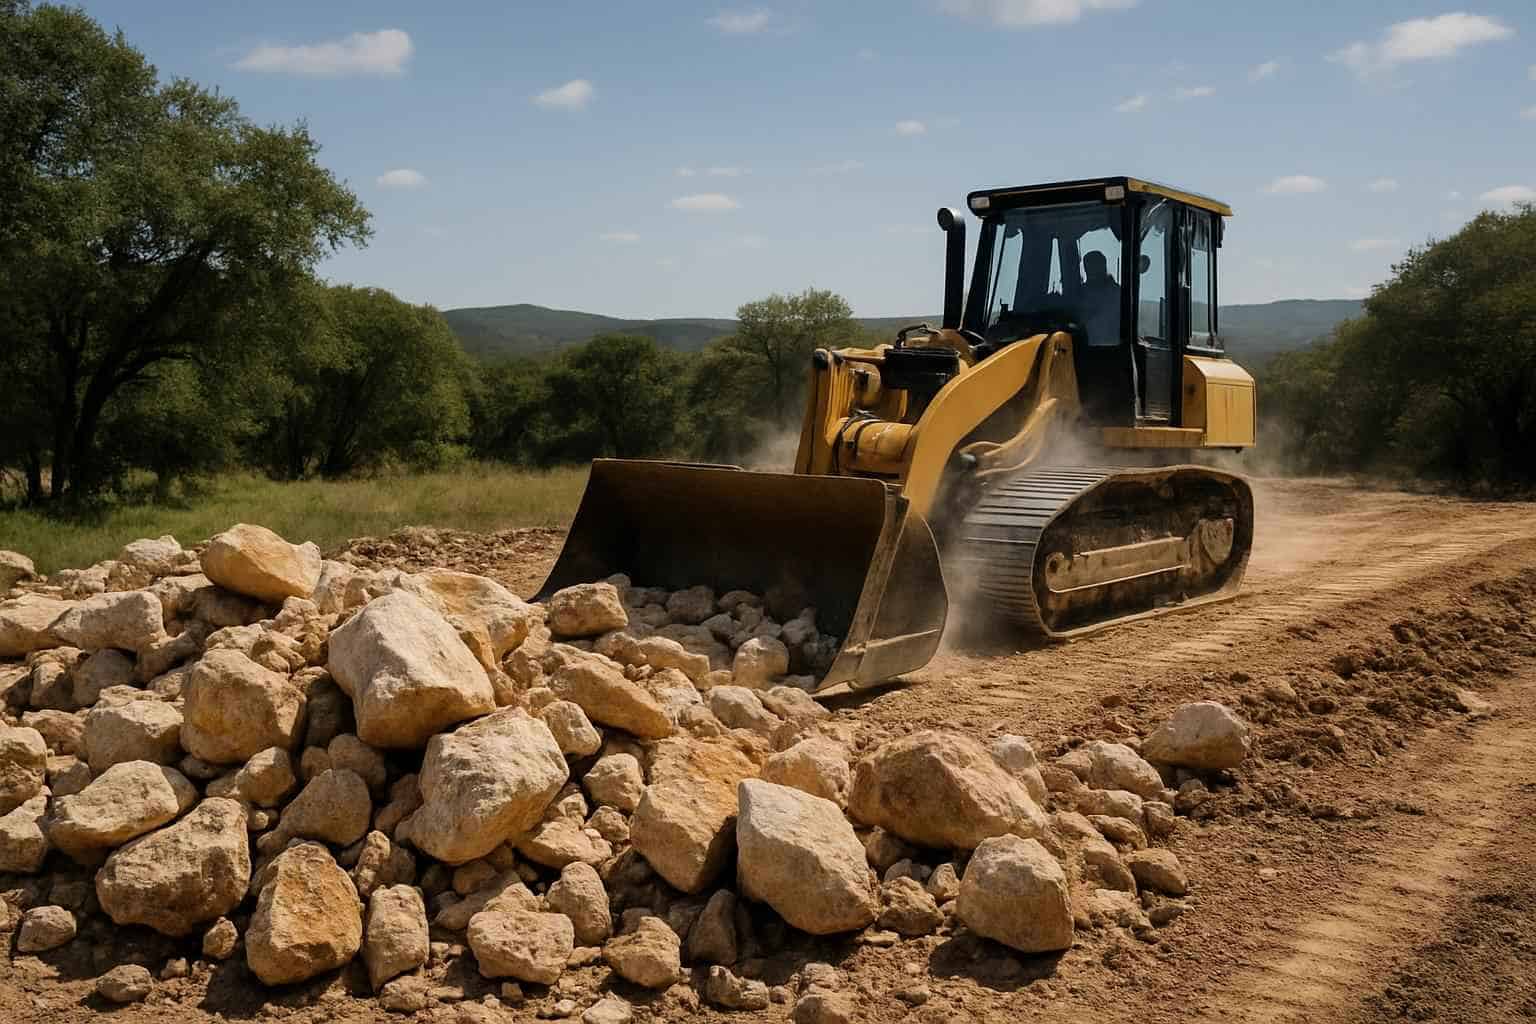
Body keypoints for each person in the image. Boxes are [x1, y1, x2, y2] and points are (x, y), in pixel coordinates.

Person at [1079, 250, 1121, 346]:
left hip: (1111, 350)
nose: (1091, 272)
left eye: (1094, 267)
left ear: (1103, 267)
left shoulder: (1117, 293)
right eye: (1088, 268)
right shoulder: (1081, 292)